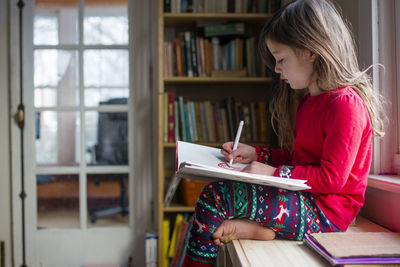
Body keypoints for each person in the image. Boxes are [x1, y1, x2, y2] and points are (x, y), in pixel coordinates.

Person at [181, 0, 385, 266]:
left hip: (326, 215)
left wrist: (275, 173)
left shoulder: (345, 105)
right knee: (220, 195)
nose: (277, 69)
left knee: (214, 197)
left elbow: (331, 178)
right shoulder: (310, 102)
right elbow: (302, 159)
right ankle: (266, 230)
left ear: (311, 51)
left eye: (281, 59)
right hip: (305, 202)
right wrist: (258, 154)